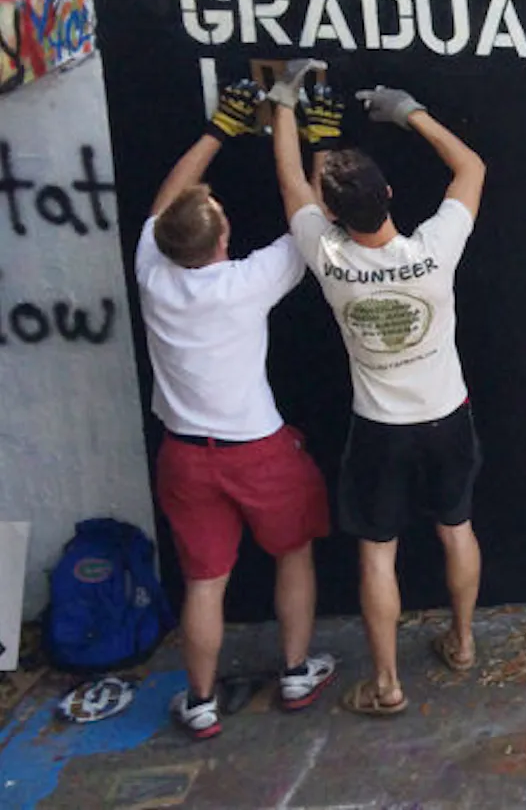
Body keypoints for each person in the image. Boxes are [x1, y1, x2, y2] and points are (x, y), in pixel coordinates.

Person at [270, 74, 486, 718]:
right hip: (448, 417)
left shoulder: (328, 258)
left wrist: (284, 102)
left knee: (377, 554)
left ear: (330, 214)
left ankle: (387, 684)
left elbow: (290, 181)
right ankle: (465, 642)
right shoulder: (436, 249)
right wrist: (411, 112)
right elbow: (470, 166)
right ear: (390, 195)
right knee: (457, 529)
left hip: (380, 431)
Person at [136, 76, 337, 740]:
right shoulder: (246, 283)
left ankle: (199, 702)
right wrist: (307, 132)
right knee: (294, 552)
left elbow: (169, 203)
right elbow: (309, 217)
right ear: (222, 237)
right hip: (259, 450)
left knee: (204, 582)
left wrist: (220, 126)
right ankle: (298, 669)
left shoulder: (153, 269)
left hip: (186, 456)